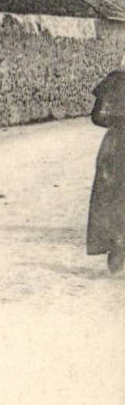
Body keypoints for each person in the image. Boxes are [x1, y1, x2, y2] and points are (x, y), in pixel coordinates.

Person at [87, 65, 125, 274]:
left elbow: (96, 117)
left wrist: (115, 121)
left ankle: (118, 243)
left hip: (114, 145)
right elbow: (96, 116)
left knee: (111, 196)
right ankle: (119, 242)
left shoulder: (112, 82)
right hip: (117, 148)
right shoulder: (114, 81)